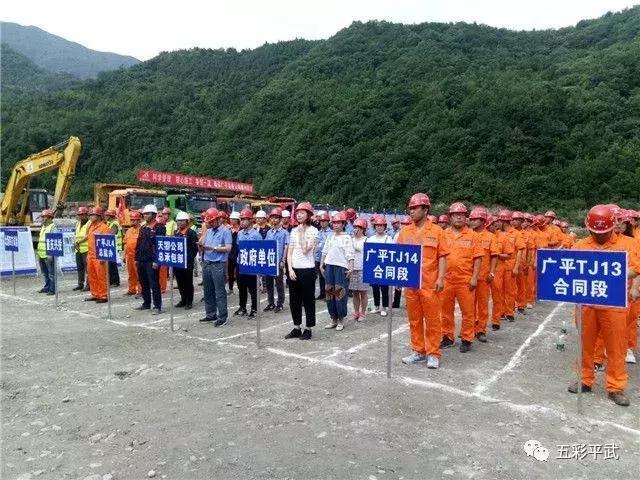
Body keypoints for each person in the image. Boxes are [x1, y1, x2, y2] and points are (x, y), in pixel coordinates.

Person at [569, 205, 640, 407]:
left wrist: (623, 276)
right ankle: (585, 379)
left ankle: (615, 387)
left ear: (613, 226)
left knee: (616, 347)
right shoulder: (580, 246)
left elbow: (637, 268)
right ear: (588, 228)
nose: (599, 236)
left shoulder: (628, 244)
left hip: (615, 304)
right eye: (595, 232)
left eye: (604, 232)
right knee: (585, 344)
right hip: (587, 305)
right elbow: (568, 270)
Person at [396, 193, 448, 368]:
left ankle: (433, 353)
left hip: (430, 284)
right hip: (410, 284)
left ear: (425, 210)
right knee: (414, 319)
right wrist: (398, 279)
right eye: (410, 208)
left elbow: (442, 256)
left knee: (432, 319)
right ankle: (418, 351)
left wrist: (441, 278)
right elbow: (399, 257)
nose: (411, 211)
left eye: (415, 208)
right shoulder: (404, 232)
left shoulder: (437, 231)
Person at [440, 202, 483, 352]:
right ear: (450, 217)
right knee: (446, 311)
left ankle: (466, 338)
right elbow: (439, 256)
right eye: (455, 215)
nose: (458, 217)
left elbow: (478, 258)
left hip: (465, 280)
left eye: (462, 215)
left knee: (468, 312)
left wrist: (474, 277)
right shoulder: (443, 234)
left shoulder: (473, 236)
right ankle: (447, 337)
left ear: (466, 218)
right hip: (447, 279)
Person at [285, 202, 318, 340]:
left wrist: (302, 232)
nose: (299, 215)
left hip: (308, 270)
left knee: (308, 300)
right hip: (295, 270)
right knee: (294, 300)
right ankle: (297, 327)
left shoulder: (313, 231)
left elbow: (305, 250)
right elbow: (290, 252)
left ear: (309, 215)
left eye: (302, 212)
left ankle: (308, 328)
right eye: (297, 213)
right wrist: (290, 269)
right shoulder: (293, 231)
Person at [468, 207, 499, 343]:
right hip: (468, 276)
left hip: (483, 277)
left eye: (475, 219)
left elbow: (494, 256)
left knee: (482, 305)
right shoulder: (467, 235)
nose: (472, 221)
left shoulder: (490, 237)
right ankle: (469, 329)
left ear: (482, 221)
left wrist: (492, 272)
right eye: (472, 219)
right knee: (468, 305)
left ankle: (481, 330)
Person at [321, 211, 354, 330]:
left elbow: (350, 254)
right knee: (329, 293)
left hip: (341, 267)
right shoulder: (330, 237)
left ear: (343, 224)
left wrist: (351, 267)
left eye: (338, 223)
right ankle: (333, 319)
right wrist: (321, 265)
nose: (335, 225)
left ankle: (341, 320)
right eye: (334, 223)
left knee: (340, 293)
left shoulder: (347, 237)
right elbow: (325, 251)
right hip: (329, 266)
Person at [199, 209, 232, 326]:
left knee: (219, 291)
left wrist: (213, 248)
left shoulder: (225, 231)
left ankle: (222, 316)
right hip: (207, 262)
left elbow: (228, 248)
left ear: (218, 219)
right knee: (208, 291)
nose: (210, 224)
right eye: (209, 222)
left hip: (218, 264)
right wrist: (201, 244)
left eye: (212, 221)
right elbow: (202, 241)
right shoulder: (209, 231)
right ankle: (210, 314)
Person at [134, 204, 166, 314]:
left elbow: (160, 246)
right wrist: (136, 258)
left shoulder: (159, 227)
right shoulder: (143, 227)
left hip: (152, 261)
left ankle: (157, 306)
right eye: (144, 214)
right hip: (142, 260)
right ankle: (146, 303)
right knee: (143, 282)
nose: (145, 215)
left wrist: (157, 261)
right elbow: (139, 244)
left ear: (154, 215)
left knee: (154, 283)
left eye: (148, 214)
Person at [234, 209, 262, 317]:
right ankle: (242, 307)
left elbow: (260, 251)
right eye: (241, 220)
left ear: (250, 221)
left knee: (253, 289)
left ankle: (254, 309)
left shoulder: (256, 235)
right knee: (241, 288)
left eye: (244, 220)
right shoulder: (240, 233)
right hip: (241, 263)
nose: (242, 222)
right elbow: (238, 248)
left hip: (252, 265)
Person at [499, 210, 525, 322]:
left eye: (500, 220)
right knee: (499, 290)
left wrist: (516, 267)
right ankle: (501, 311)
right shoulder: (498, 233)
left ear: (504, 221)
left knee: (510, 290)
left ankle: (509, 312)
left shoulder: (516, 234)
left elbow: (520, 251)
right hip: (499, 266)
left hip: (510, 265)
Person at [367, 215, 394, 317]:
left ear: (385, 227)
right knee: (375, 287)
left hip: (384, 266)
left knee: (384, 288)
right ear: (374, 227)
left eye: (381, 225)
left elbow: (392, 252)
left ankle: (384, 307)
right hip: (374, 266)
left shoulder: (388, 238)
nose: (379, 227)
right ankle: (377, 306)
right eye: (377, 225)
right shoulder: (371, 239)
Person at [264, 208, 289, 313]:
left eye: (276, 218)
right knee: (269, 283)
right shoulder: (269, 232)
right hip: (269, 261)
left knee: (279, 283)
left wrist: (283, 260)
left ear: (280, 219)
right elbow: (265, 245)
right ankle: (271, 303)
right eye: (272, 218)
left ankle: (280, 303)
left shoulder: (284, 233)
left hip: (278, 262)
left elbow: (286, 247)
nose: (274, 220)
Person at [85, 207, 111, 303]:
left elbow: (107, 244)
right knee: (92, 276)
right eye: (90, 215)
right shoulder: (91, 226)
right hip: (91, 255)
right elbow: (89, 240)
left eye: (93, 215)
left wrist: (104, 257)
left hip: (100, 256)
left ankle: (103, 295)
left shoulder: (104, 228)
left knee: (101, 276)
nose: (91, 217)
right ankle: (95, 294)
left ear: (99, 216)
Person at [173, 211, 199, 309]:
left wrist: (188, 259)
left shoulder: (191, 233)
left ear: (187, 222)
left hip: (187, 263)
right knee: (180, 282)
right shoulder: (176, 233)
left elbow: (194, 248)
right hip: (178, 262)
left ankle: (189, 301)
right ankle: (183, 299)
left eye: (182, 221)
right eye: (178, 221)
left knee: (188, 282)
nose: (180, 223)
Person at [349, 217, 369, 323]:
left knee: (363, 292)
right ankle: (356, 311)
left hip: (363, 269)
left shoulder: (366, 240)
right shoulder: (351, 240)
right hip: (353, 269)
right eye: (355, 227)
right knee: (355, 292)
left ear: (363, 229)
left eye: (359, 227)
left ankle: (363, 312)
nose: (356, 229)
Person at [35, 209, 57, 295]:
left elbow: (54, 242)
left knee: (51, 273)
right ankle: (47, 287)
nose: (42, 219)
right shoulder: (44, 227)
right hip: (41, 254)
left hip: (48, 255)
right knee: (45, 273)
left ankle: (52, 289)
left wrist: (51, 254)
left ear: (49, 218)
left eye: (43, 217)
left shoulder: (53, 227)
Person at [123, 211, 142, 296]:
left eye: (134, 220)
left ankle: (140, 290)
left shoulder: (142, 230)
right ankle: (132, 289)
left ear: (139, 220)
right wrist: (124, 255)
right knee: (131, 274)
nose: (133, 222)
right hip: (129, 256)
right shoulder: (129, 231)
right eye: (132, 220)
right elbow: (126, 243)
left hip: (138, 256)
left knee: (139, 274)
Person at [314, 212, 332, 300]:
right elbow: (316, 244)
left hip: (326, 258)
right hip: (318, 257)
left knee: (327, 277)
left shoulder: (331, 233)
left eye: (324, 221)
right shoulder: (319, 232)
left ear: (328, 222)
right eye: (321, 221)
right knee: (320, 277)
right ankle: (322, 293)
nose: (322, 223)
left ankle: (328, 295)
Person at [73, 207, 90, 291]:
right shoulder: (78, 223)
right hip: (78, 249)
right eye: (79, 215)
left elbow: (88, 235)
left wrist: (79, 242)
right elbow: (75, 234)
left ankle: (88, 284)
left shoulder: (89, 223)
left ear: (86, 215)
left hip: (86, 249)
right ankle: (80, 284)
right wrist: (75, 243)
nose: (80, 216)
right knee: (79, 267)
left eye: (82, 215)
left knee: (88, 268)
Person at [104, 209, 122, 287]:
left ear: (111, 216)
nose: (106, 216)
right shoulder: (109, 223)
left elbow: (112, 234)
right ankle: (111, 280)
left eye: (107, 215)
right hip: (110, 246)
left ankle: (115, 281)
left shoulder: (114, 224)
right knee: (109, 265)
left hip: (115, 247)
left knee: (112, 265)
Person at [227, 211, 241, 295]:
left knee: (239, 273)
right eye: (231, 219)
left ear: (237, 220)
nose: (231, 220)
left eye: (233, 219)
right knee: (230, 273)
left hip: (238, 254)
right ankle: (230, 288)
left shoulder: (241, 230)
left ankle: (240, 288)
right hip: (230, 254)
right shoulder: (228, 230)